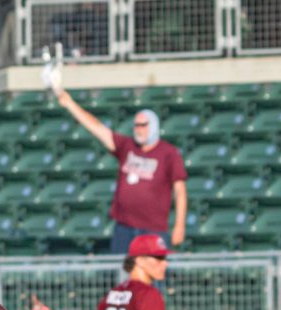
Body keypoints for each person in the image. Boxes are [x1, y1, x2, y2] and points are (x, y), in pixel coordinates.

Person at [50, 91, 189, 254]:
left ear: (154, 126)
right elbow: (98, 129)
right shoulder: (127, 146)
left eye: (143, 125)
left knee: (152, 276)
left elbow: (180, 191)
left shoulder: (168, 153)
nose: (139, 129)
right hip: (125, 228)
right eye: (136, 125)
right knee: (124, 276)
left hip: (153, 230)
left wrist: (179, 225)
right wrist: (70, 104)